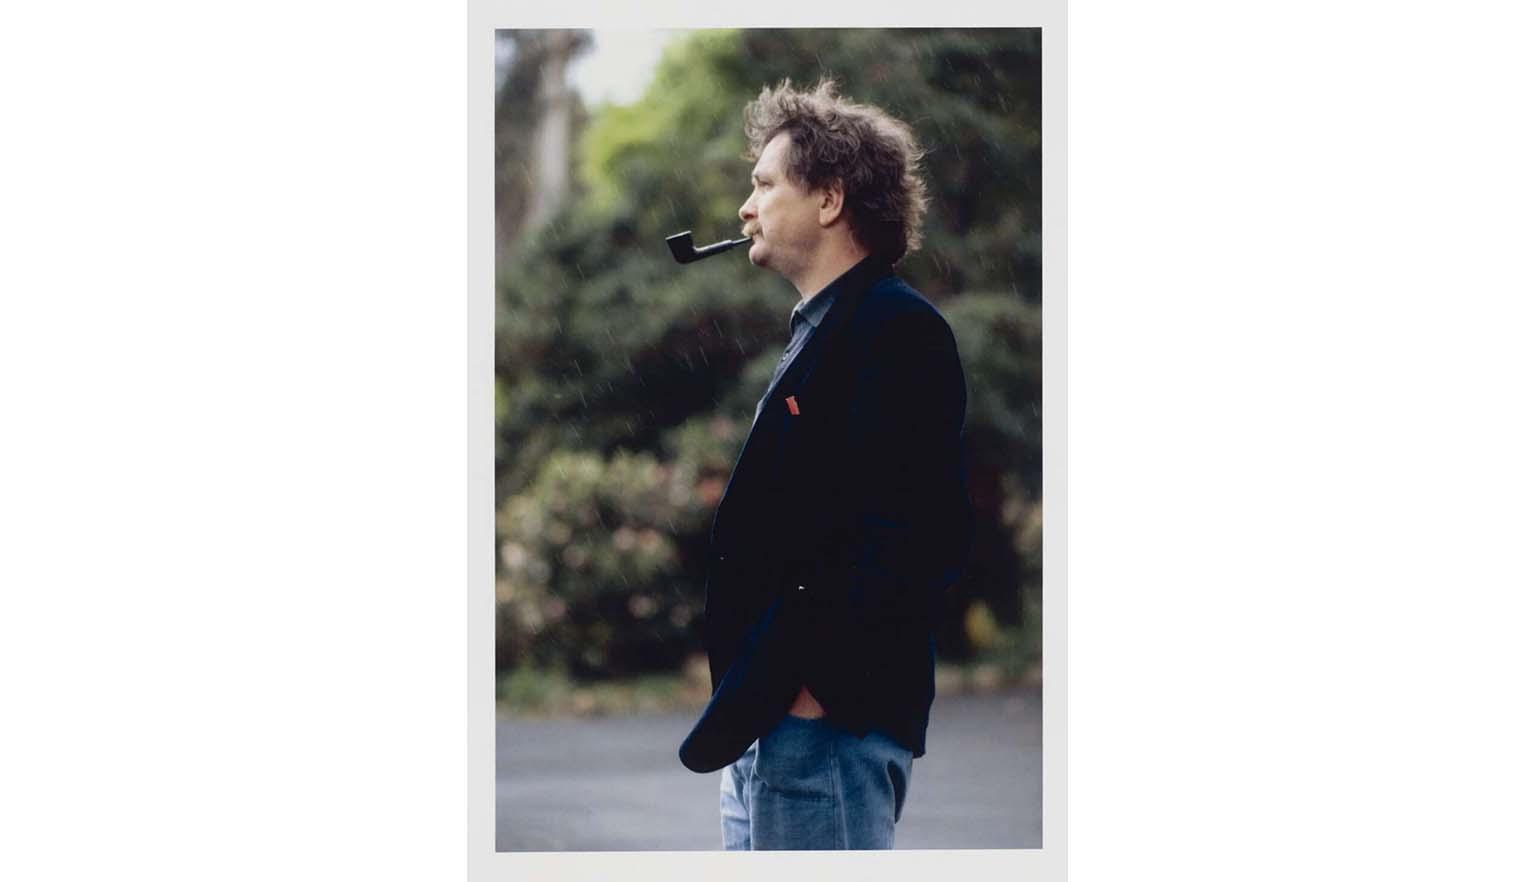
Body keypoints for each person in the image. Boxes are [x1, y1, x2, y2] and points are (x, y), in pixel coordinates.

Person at [677, 79, 974, 851]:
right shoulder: (824, 331)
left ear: (831, 200)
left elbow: (914, 536)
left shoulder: (894, 330)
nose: (746, 207)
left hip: (822, 727)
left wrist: (813, 695)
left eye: (765, 184)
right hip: (768, 723)